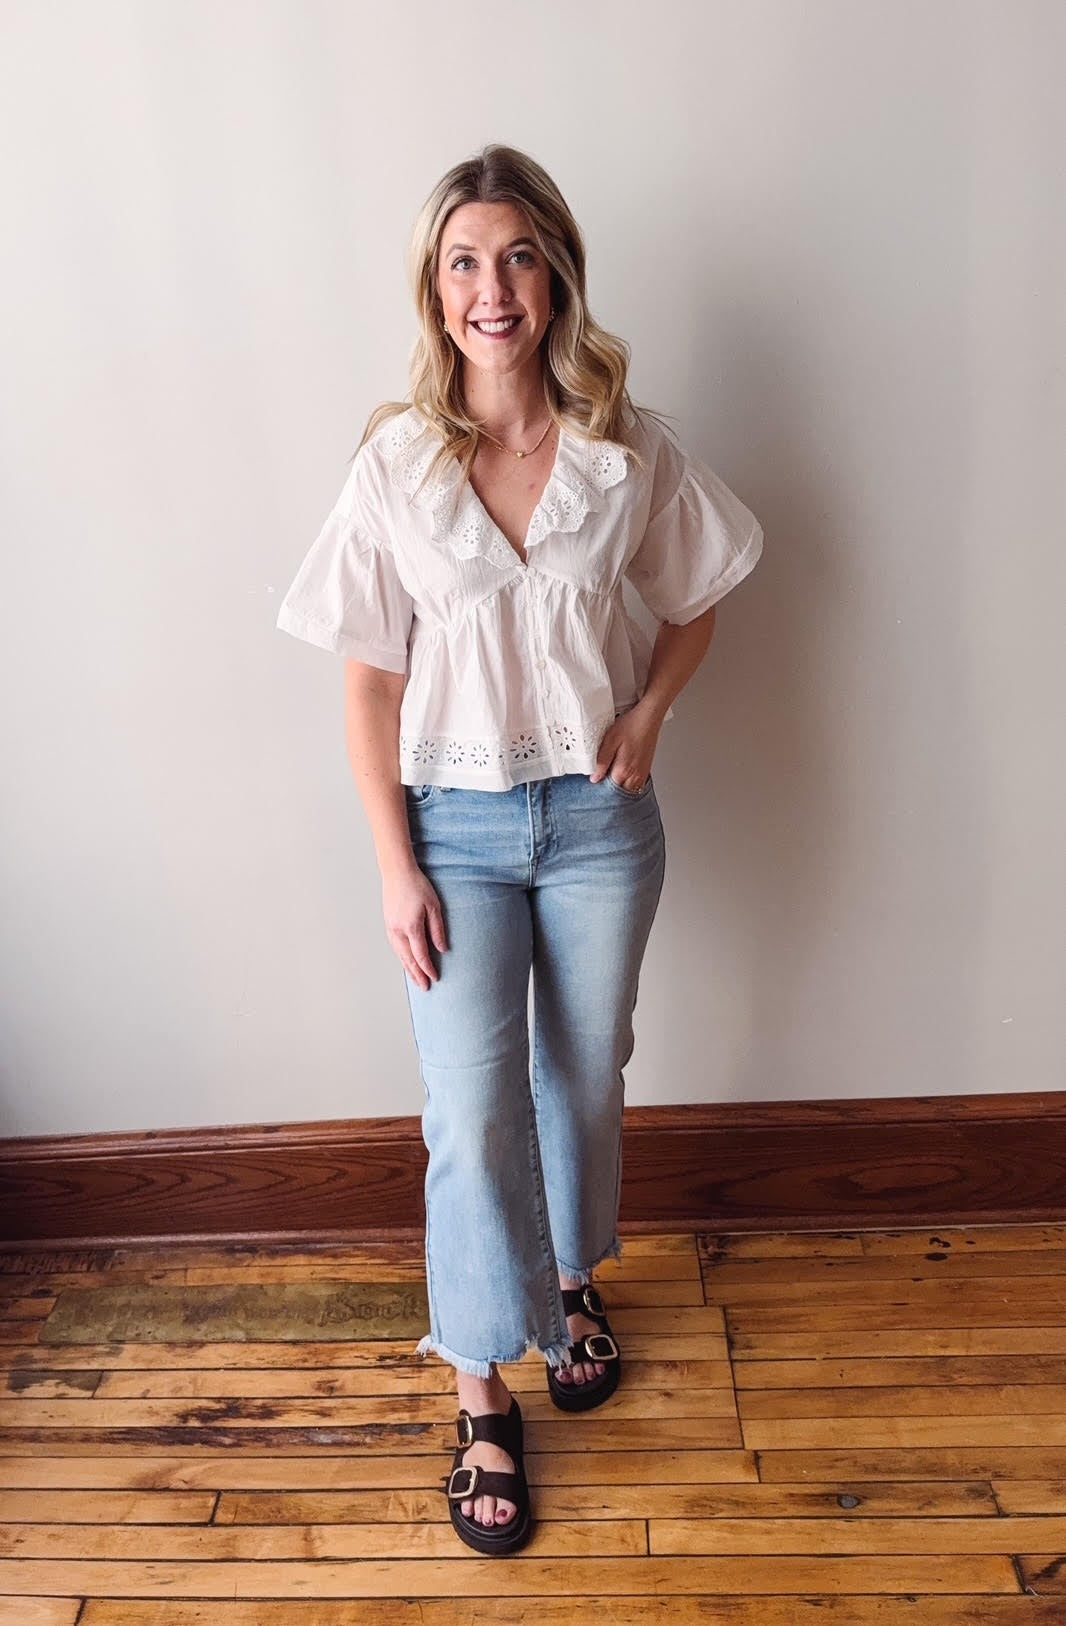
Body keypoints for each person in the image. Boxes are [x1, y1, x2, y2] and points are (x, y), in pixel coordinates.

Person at [276, 143, 763, 1555]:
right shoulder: (397, 464)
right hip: (455, 829)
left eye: (517, 257)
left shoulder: (626, 448)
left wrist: (650, 714)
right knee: (471, 1107)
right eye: (463, 263)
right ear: (434, 292)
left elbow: (700, 596)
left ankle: (568, 1279)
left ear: (556, 277)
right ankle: (482, 1386)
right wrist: (396, 865)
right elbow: (368, 686)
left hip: (600, 822)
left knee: (586, 1074)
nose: (492, 288)